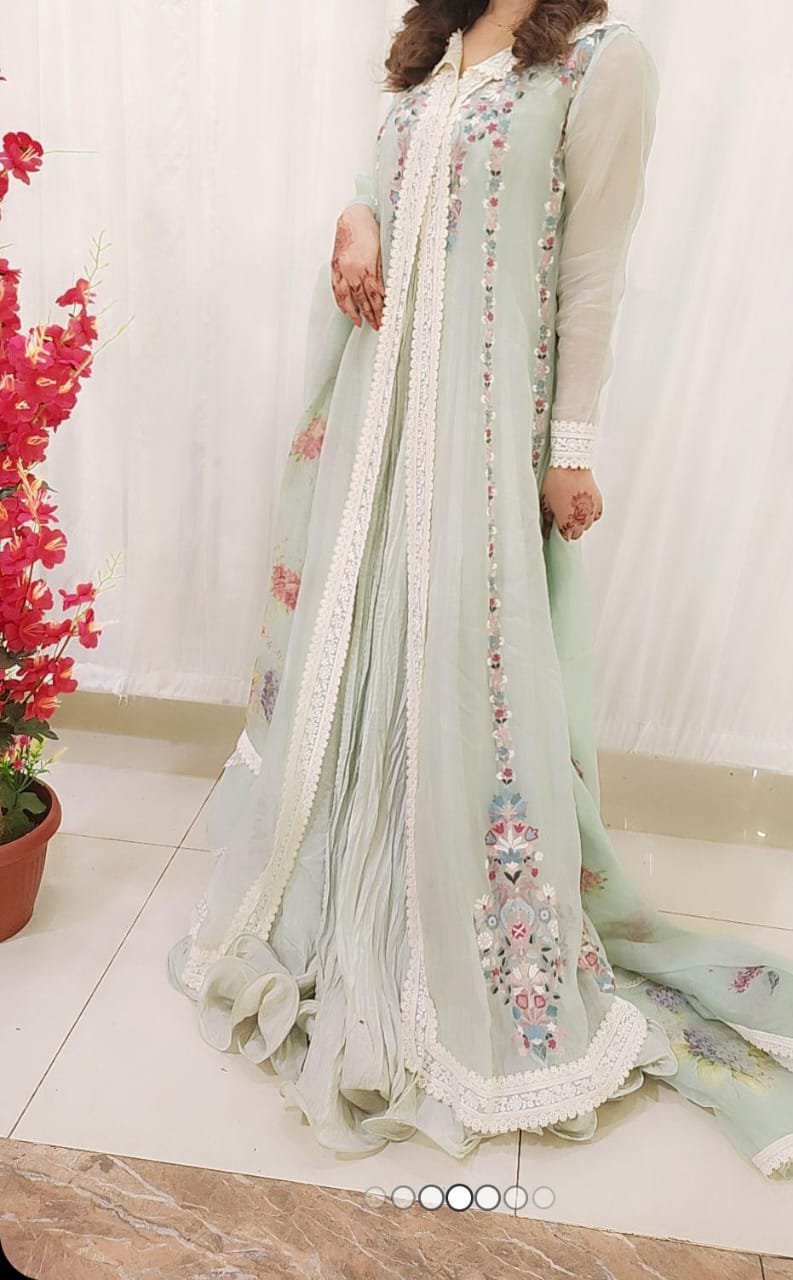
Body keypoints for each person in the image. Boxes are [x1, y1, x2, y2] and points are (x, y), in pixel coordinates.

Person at [168, 1, 793, 1176]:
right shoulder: (437, 53)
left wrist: (569, 446)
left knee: (472, 674)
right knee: (366, 661)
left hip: (481, 431)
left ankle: (464, 951)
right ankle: (351, 907)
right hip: (381, 430)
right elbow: (378, 190)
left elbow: (593, 269)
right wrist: (356, 221)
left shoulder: (599, 62)